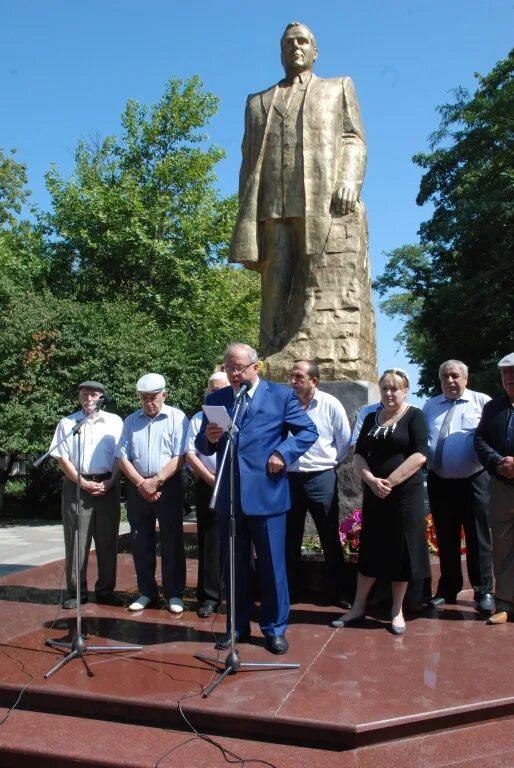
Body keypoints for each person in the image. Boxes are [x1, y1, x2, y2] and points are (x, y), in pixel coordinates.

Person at [229, 22, 366, 357]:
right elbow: (248, 159)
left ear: (315, 52)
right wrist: (245, 214)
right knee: (275, 283)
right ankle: (271, 352)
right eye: (289, 43)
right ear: (280, 52)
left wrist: (348, 180)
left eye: (303, 41)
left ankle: (309, 349)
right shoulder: (257, 102)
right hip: (272, 204)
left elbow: (353, 139)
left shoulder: (338, 87)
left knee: (314, 276)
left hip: (318, 200)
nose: (296, 47)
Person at [195, 343, 318, 654]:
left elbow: (307, 432)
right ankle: (235, 628)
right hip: (230, 498)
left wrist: (282, 452)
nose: (234, 374)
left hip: (267, 495)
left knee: (272, 566)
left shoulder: (280, 396)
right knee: (233, 568)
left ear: (255, 367)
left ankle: (274, 628)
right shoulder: (218, 398)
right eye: (228, 368)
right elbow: (205, 445)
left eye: (239, 368)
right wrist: (208, 438)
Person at [331, 369, 429, 634]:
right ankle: (358, 606)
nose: (389, 393)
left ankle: (396, 611)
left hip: (404, 496)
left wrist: (391, 481)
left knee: (401, 550)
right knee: (371, 548)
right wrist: (373, 481)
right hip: (375, 495)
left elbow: (421, 454)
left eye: (394, 388)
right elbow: (360, 454)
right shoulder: (372, 417)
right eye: (384, 388)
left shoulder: (414, 416)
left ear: (405, 390)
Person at [423, 360, 494, 613]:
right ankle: (447, 589)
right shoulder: (430, 405)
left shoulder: (482, 402)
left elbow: (491, 437)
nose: (450, 381)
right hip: (439, 481)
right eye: (445, 377)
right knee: (445, 535)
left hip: (474, 480)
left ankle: (483, 590)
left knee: (477, 537)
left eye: (454, 376)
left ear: (466, 378)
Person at [117, 374, 189, 614]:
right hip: (138, 487)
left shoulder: (177, 418)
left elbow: (180, 456)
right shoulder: (130, 421)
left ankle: (174, 593)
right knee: (140, 541)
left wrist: (156, 481)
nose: (149, 402)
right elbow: (122, 457)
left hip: (167, 485)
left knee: (172, 541)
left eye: (153, 397)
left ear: (164, 395)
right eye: (144, 398)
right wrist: (141, 483)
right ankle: (146, 591)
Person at [49, 380, 123, 609]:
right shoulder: (68, 423)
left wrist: (112, 481)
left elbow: (122, 456)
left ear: (102, 397)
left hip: (107, 484)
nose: (88, 398)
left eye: (93, 394)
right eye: (84, 394)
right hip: (77, 486)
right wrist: (81, 482)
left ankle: (106, 590)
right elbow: (62, 458)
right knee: (76, 540)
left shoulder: (115, 421)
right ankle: (77, 591)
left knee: (108, 540)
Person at [286, 360, 351, 604]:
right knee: (289, 537)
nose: (293, 381)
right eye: (291, 376)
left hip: (321, 477)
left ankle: (340, 592)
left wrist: (328, 463)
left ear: (314, 381)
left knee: (329, 535)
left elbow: (344, 440)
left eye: (298, 377)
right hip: (290, 478)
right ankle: (291, 591)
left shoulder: (330, 404)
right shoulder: (287, 404)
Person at [185, 371, 229, 618]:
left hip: (238, 485)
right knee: (209, 541)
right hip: (209, 484)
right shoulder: (198, 418)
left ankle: (240, 592)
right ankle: (209, 597)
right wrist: (211, 479)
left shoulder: (239, 414)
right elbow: (191, 453)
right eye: (212, 389)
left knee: (241, 539)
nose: (216, 393)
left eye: (220, 388)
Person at [474, 352, 514, 624]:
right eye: (505, 374)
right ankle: (505, 603)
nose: (509, 378)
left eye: (513, 373)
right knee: (503, 544)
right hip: (501, 484)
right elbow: (479, 439)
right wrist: (497, 462)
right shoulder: (493, 408)